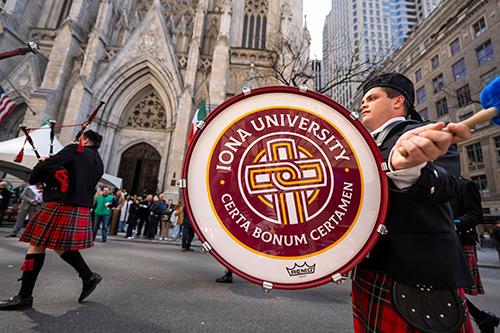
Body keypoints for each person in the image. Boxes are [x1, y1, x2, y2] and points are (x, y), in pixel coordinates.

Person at [352, 73, 474, 332]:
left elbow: (447, 186)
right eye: (363, 99)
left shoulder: (426, 133)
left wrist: (407, 167)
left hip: (415, 279)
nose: (363, 104)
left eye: (372, 98)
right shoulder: (358, 145)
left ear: (398, 102)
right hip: (368, 270)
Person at [0, 130, 104, 310]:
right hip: (79, 206)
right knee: (57, 245)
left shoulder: (74, 150)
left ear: (85, 140)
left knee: (36, 244)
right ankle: (88, 276)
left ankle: (24, 296)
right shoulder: (98, 162)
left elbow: (42, 172)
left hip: (60, 203)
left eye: (80, 138)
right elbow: (67, 175)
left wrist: (43, 163)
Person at [451, 177, 499, 332]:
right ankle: (482, 318)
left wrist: (454, 223)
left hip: (460, 242)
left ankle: (480, 319)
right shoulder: (435, 183)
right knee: (447, 289)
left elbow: (476, 215)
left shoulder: (465, 185)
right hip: (445, 242)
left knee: (449, 289)